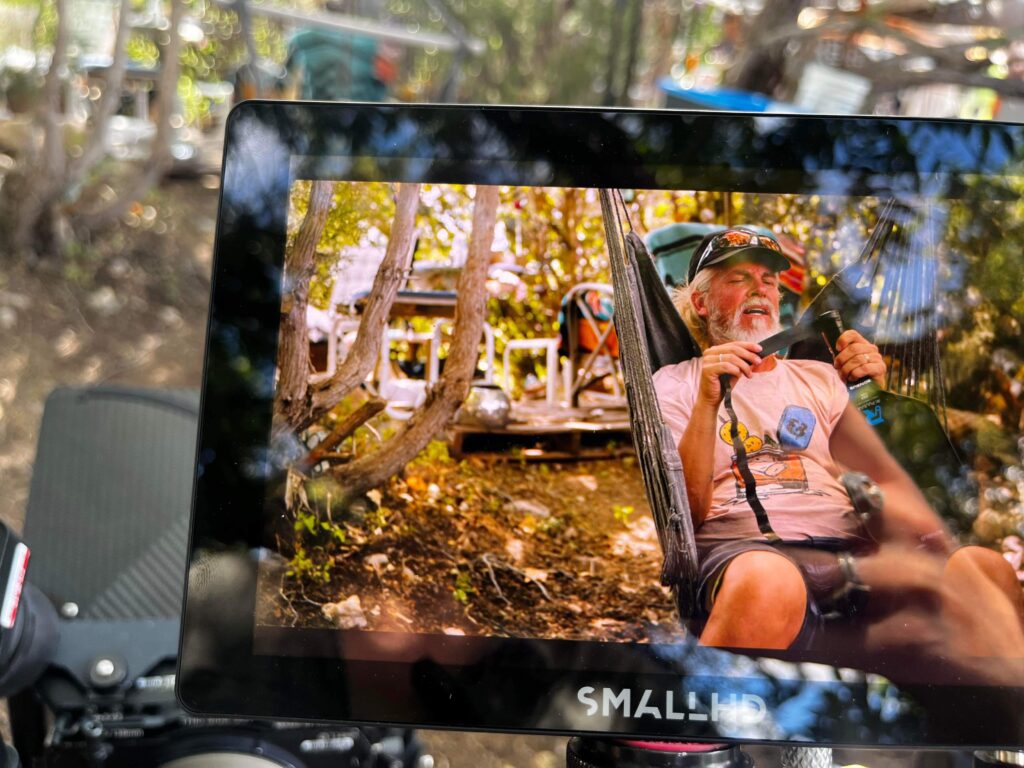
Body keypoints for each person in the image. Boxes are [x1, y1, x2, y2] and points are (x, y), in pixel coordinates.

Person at [653, 227, 1023, 660]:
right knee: (768, 579)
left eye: (768, 281)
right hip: (745, 551)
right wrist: (707, 401)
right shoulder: (674, 384)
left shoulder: (821, 377)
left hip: (855, 552)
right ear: (701, 302)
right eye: (738, 279)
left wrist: (875, 396)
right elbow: (686, 513)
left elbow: (887, 473)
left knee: (985, 570)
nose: (759, 289)